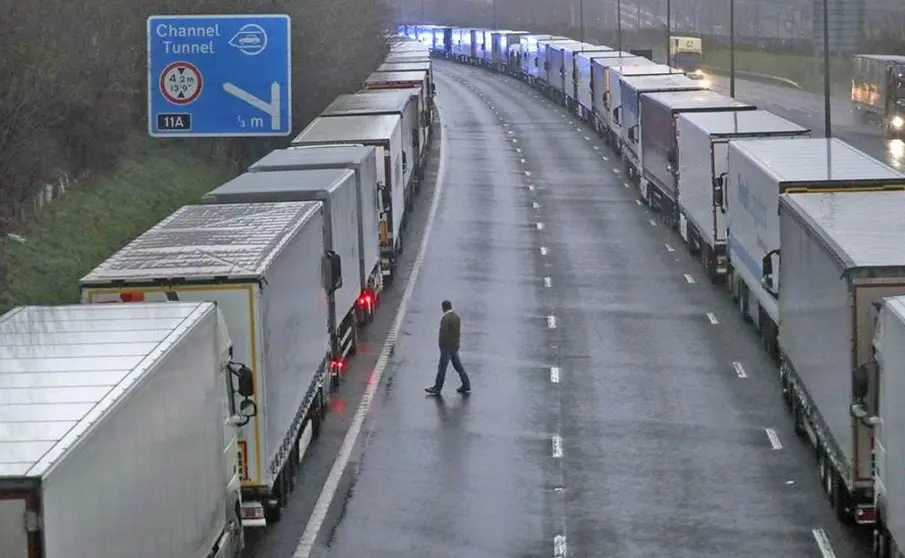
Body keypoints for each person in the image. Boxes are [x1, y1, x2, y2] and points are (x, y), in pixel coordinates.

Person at [426, 300, 471, 396]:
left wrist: (441, 346)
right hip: (454, 346)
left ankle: (437, 388)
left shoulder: (446, 319)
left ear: (443, 307)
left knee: (442, 368)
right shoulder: (456, 317)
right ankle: (466, 384)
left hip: (446, 347)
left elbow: (443, 334)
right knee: (458, 367)